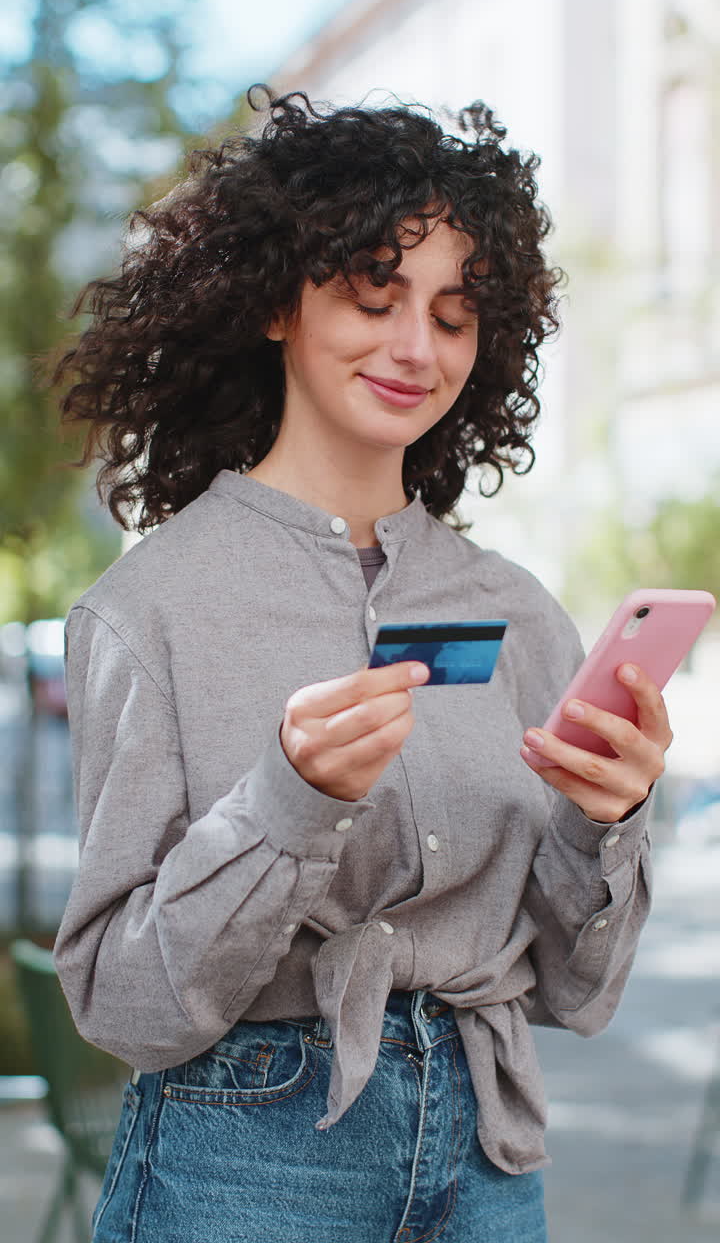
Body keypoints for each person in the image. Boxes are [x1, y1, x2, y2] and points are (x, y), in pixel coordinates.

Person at [51, 86, 671, 1243]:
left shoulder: (516, 611)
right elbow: (124, 1005)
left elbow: (582, 992)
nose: (413, 347)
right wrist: (285, 807)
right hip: (242, 1159)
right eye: (373, 296)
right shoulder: (152, 608)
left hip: (488, 1157)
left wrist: (608, 818)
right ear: (278, 302)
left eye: (451, 314)